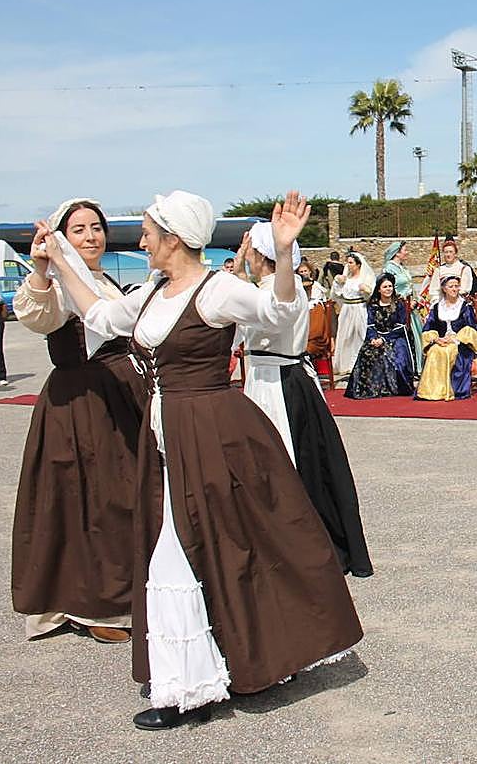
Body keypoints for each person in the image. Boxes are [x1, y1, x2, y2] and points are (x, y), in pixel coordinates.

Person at [41, 189, 363, 729]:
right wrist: (59, 256)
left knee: (219, 543)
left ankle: (207, 679)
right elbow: (97, 313)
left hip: (215, 432)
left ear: (172, 238)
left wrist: (283, 253)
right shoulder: (150, 292)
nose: (140, 241)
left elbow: (279, 310)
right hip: (167, 431)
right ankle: (205, 672)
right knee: (188, 546)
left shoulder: (217, 292)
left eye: (147, 232)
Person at [11, 198, 144, 644]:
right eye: (79, 229)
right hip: (81, 403)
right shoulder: (60, 283)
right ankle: (92, 604)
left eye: (96, 228)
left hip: (120, 396)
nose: (91, 236)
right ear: (62, 237)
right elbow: (35, 315)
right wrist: (42, 269)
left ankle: (127, 592)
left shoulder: (104, 279)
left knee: (128, 491)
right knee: (93, 497)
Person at [234, 222, 372, 579]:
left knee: (289, 465)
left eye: (250, 249)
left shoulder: (283, 289)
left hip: (279, 382)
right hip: (266, 378)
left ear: (261, 255)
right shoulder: (264, 287)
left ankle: (300, 547)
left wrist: (235, 279)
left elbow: (262, 315)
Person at [345, 273, 416, 398]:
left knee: (395, 356)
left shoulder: (399, 304)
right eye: (385, 287)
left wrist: (384, 339)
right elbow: (370, 325)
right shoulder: (373, 306)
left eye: (390, 286)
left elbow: (401, 326)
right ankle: (373, 389)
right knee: (368, 352)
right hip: (377, 336)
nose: (388, 289)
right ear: (379, 289)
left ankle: (395, 387)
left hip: (396, 337)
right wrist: (373, 338)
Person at [415, 274, 477, 401]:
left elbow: (471, 327)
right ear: (444, 288)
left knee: (447, 352)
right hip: (441, 341)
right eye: (451, 286)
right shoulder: (437, 307)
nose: (454, 289)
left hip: (460, 343)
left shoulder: (465, 307)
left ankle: (447, 390)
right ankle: (431, 391)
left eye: (456, 286)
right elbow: (428, 327)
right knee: (434, 351)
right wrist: (436, 339)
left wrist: (456, 339)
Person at [382, 240, 424, 373]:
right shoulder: (389, 268)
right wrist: (402, 301)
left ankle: (417, 366)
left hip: (411, 307)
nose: (407, 252)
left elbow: (409, 286)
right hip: (400, 307)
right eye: (405, 250)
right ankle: (407, 367)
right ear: (397, 253)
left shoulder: (403, 268)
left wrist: (415, 300)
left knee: (416, 336)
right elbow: (389, 288)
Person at [331, 252, 375, 377]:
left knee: (360, 335)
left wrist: (366, 289)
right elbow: (337, 294)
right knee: (345, 336)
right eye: (348, 262)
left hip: (359, 308)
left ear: (358, 264)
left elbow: (370, 294)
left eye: (351, 262)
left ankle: (360, 363)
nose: (348, 265)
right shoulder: (346, 279)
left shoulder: (364, 278)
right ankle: (345, 365)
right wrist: (338, 282)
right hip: (347, 309)